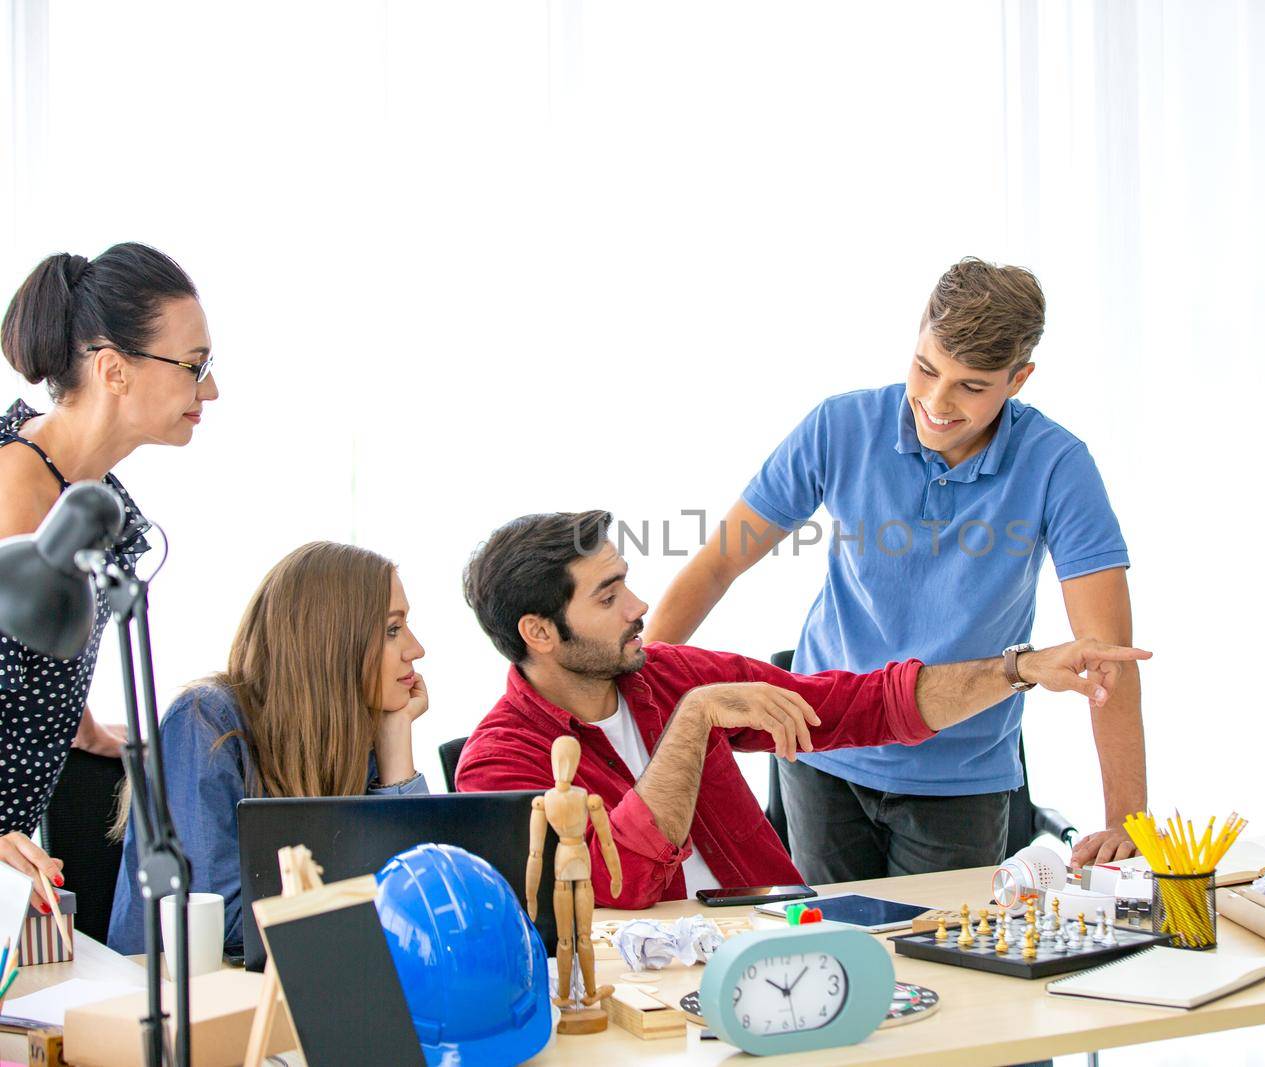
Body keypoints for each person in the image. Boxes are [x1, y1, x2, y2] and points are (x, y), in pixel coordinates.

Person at [644, 257, 1144, 875]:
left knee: (944, 964)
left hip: (960, 775)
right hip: (820, 750)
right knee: (837, 953)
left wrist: (1125, 820)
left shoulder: (1057, 466)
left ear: (1018, 380)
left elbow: (1107, 655)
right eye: (926, 369)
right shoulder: (840, 427)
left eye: (971, 386)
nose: (935, 402)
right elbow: (718, 565)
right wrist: (635, 691)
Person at [455, 511, 1148, 909]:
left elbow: (854, 705)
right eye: (607, 598)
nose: (640, 609)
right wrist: (696, 722)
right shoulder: (497, 764)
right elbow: (616, 887)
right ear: (539, 633)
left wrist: (1019, 666)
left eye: (627, 584)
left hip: (781, 949)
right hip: (652, 1009)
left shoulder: (666, 677)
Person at [0, 244, 216, 910]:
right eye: (194, 366)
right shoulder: (13, 491)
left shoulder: (93, 496)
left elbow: (30, 648)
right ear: (113, 369)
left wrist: (83, 724)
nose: (209, 390)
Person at [106, 542, 430, 955]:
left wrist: (396, 747)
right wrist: (363, 903)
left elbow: (419, 895)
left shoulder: (351, 732)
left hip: (297, 980)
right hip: (188, 998)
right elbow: (220, 921)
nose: (416, 649)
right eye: (392, 629)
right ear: (328, 641)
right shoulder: (204, 720)